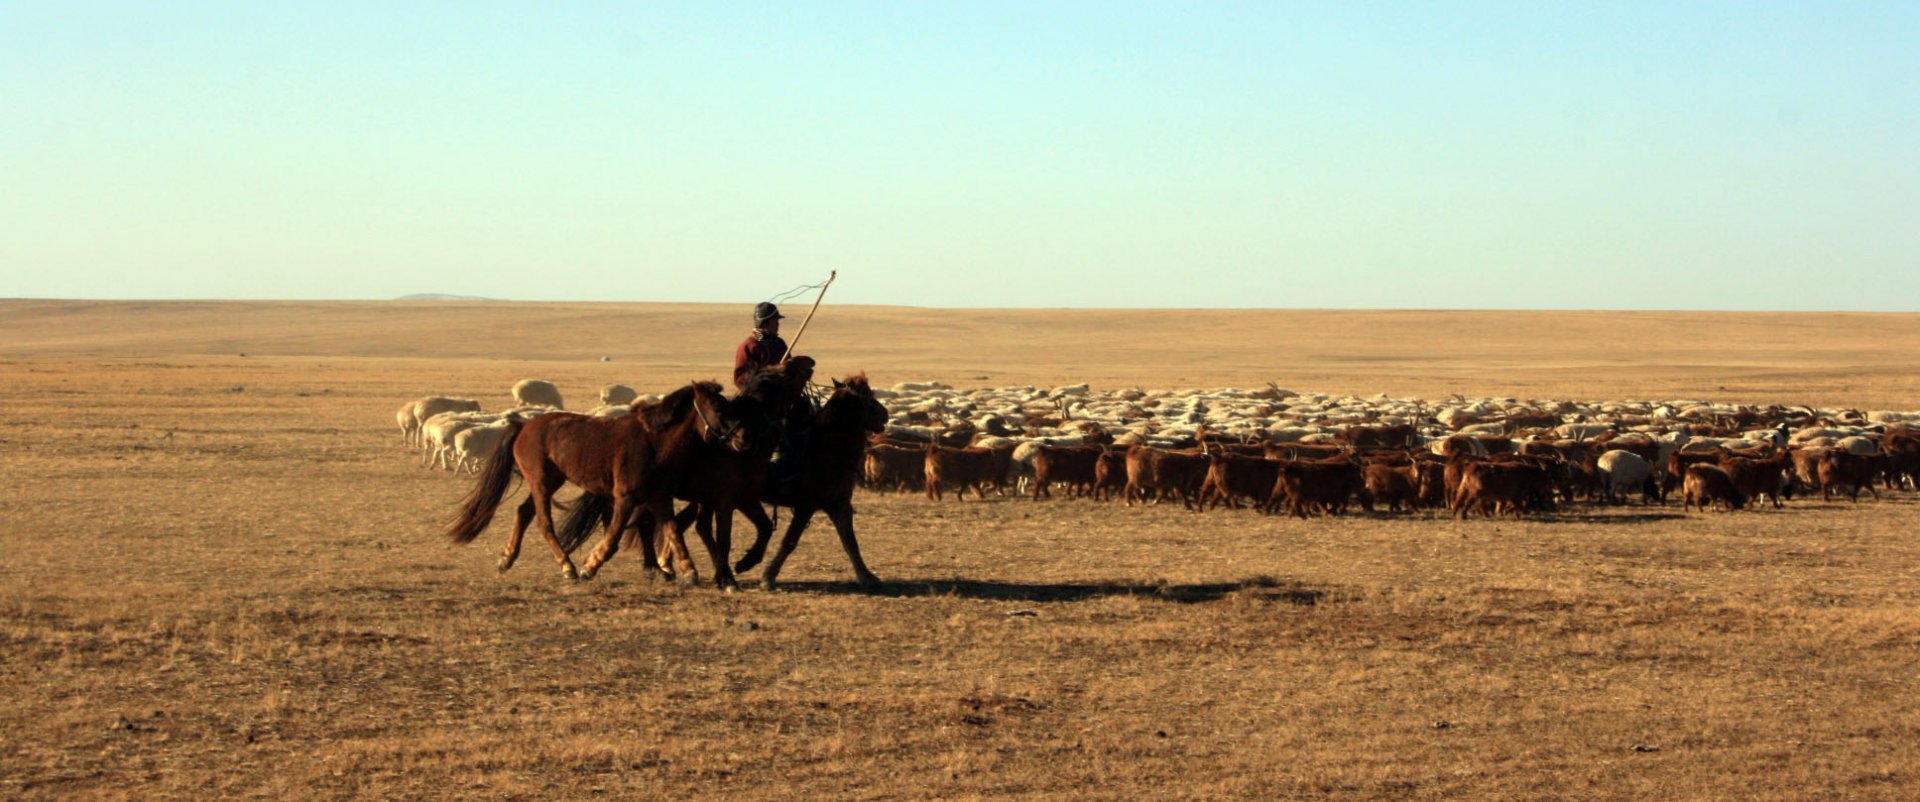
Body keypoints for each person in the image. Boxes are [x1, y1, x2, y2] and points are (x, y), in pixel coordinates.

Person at [733, 302, 788, 392]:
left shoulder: (779, 343)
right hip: (757, 399)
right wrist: (767, 376)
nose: (778, 324)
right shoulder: (749, 346)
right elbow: (739, 379)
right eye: (775, 320)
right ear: (765, 323)